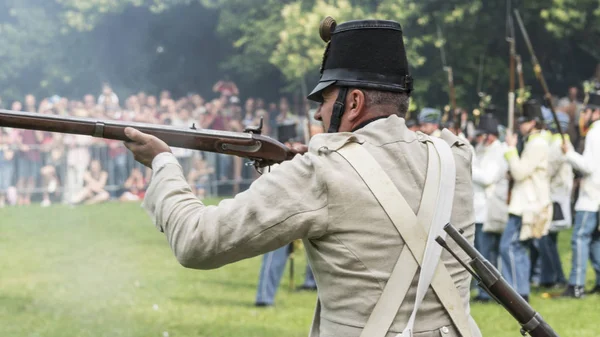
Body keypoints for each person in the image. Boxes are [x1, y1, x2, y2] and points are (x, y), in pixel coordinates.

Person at [124, 17, 481, 337]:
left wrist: (164, 164)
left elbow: (196, 241)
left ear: (353, 103)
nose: (319, 114)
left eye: (324, 101)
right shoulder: (455, 158)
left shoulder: (321, 172)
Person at [500, 99, 553, 302]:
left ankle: (516, 293)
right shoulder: (534, 142)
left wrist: (510, 150)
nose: (520, 125)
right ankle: (520, 292)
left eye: (524, 121)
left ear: (533, 122)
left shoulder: (537, 143)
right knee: (517, 248)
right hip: (525, 203)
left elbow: (520, 172)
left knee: (510, 247)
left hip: (527, 205)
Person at [560, 93, 600, 298]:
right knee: (594, 241)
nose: (583, 115)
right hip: (596, 197)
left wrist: (569, 153)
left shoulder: (594, 133)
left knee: (580, 239)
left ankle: (576, 285)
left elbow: (589, 167)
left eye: (586, 111)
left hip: (591, 196)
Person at [471, 113, 509, 302]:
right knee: (482, 255)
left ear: (490, 135)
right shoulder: (481, 149)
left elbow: (487, 178)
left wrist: (468, 164)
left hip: (488, 211)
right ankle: (486, 291)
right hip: (479, 211)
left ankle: (488, 293)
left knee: (486, 256)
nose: (479, 138)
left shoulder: (497, 151)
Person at [537, 110, 572, 289]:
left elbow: (546, 171)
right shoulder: (562, 142)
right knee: (548, 241)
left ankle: (554, 277)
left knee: (545, 240)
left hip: (553, 197)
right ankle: (550, 277)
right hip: (557, 196)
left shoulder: (556, 144)